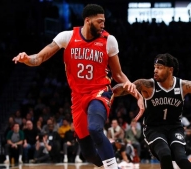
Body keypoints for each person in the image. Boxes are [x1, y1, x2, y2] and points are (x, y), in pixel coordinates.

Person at [12, 4, 144, 169]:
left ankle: (113, 167)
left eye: (104, 21)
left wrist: (137, 94)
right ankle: (112, 159)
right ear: (88, 20)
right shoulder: (67, 37)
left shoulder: (109, 40)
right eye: (100, 21)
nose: (103, 25)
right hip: (78, 97)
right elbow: (38, 58)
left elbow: (118, 74)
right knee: (88, 153)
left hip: (100, 92)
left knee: (95, 128)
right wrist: (26, 59)